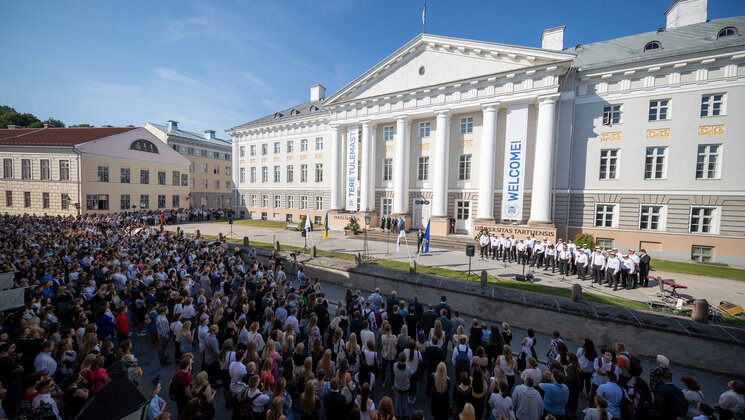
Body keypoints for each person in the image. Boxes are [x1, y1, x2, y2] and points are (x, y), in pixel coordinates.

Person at [393, 352, 412, 420]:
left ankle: (397, 415)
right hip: (405, 388)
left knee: (397, 402)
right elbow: (409, 376)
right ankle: (403, 416)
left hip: (397, 387)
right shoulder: (408, 368)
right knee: (404, 403)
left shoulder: (395, 365)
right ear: (405, 359)